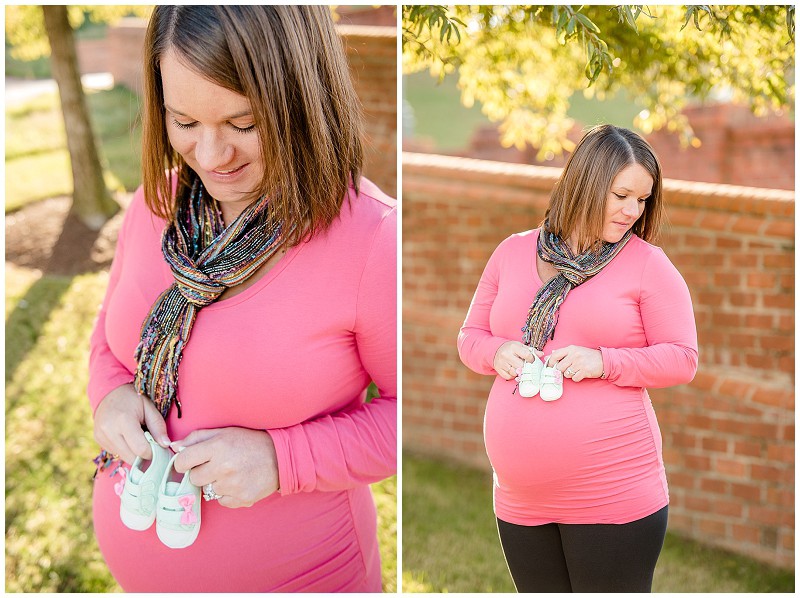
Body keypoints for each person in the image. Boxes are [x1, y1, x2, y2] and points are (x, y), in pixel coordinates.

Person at [88, 6, 396, 592]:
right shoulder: (156, 201)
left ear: (302, 97)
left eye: (243, 124)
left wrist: (283, 461)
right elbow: (109, 332)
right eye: (183, 121)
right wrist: (108, 397)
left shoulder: (372, 238)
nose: (209, 157)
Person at [457, 124, 698, 592]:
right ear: (586, 183)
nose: (632, 210)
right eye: (621, 194)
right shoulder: (512, 252)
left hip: (612, 493)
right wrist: (497, 351)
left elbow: (682, 358)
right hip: (520, 498)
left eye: (642, 200)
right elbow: (471, 337)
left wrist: (604, 362)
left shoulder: (648, 265)